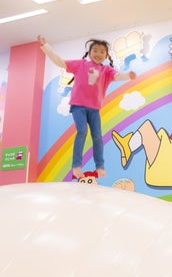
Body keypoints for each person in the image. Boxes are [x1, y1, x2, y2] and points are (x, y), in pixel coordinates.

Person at [37, 35, 137, 179]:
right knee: (82, 131)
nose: (98, 54)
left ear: (106, 55)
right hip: (78, 106)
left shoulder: (106, 70)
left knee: (97, 136)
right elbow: (60, 62)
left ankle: (100, 166)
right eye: (95, 50)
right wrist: (45, 46)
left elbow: (117, 76)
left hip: (94, 108)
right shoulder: (81, 65)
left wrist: (128, 75)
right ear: (89, 53)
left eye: (102, 52)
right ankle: (76, 166)